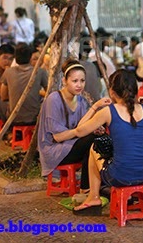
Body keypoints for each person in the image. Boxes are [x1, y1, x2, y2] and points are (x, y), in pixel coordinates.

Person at [53, 69, 143, 215]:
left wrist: (95, 107)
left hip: (121, 175)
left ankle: (93, 197)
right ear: (136, 90)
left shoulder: (108, 111)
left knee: (95, 147)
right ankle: (93, 195)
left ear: (112, 92)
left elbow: (80, 131)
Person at [38, 60, 113, 194]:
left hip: (72, 145)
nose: (79, 85)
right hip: (54, 150)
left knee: (100, 137)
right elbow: (58, 136)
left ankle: (94, 184)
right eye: (75, 81)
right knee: (91, 139)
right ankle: (87, 187)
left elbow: (82, 126)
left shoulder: (80, 99)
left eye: (82, 81)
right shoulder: (54, 99)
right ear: (65, 80)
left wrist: (94, 126)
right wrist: (83, 129)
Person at [0, 43, 48, 125]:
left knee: (1, 103)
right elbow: (49, 93)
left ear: (15, 58)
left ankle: (8, 131)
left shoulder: (8, 72)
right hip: (35, 118)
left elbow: (3, 96)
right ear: (30, 57)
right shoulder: (40, 72)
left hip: (14, 119)